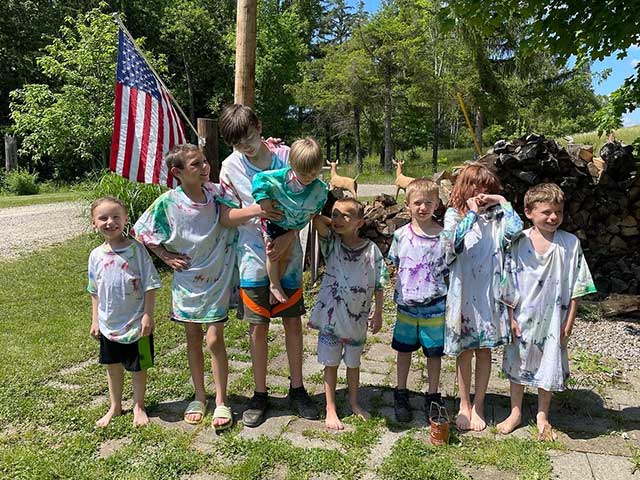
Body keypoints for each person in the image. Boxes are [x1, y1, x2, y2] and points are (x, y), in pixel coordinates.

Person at [217, 104, 319, 427]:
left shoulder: (287, 155)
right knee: (257, 327)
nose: (246, 147)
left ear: (259, 126)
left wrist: (290, 235)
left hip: (289, 255)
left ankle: (297, 389)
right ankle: (259, 394)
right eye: (238, 143)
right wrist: (256, 212)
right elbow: (226, 217)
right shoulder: (229, 168)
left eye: (249, 137)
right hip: (251, 258)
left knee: (292, 322)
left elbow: (314, 195)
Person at [133, 144, 236, 431]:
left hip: (216, 278)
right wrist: (165, 256)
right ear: (177, 173)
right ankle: (200, 397)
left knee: (214, 339)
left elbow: (244, 195)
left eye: (204, 161)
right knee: (193, 339)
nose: (204, 167)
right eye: (196, 165)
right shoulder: (168, 202)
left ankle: (221, 400)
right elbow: (142, 231)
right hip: (188, 281)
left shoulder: (216, 193)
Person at [497, 183, 596, 440]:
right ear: (529, 212)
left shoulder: (569, 244)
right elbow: (507, 280)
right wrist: (510, 318)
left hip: (554, 318)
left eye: (558, 212)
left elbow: (577, 285)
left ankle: (543, 414)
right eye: (546, 212)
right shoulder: (519, 242)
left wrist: (570, 321)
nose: (553, 217)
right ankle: (515, 411)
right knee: (518, 361)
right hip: (523, 314)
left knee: (549, 361)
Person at [441, 163, 523, 431]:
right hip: (463, 292)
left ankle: (479, 404)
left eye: (487, 188)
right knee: (464, 350)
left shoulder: (499, 217)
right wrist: (472, 215)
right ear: (464, 188)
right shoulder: (454, 215)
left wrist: (502, 201)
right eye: (475, 186)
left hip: (489, 294)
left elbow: (516, 231)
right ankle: (463, 403)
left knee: (484, 349)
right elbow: (451, 246)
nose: (481, 193)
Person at [308, 198, 389, 430]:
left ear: (360, 223)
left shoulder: (371, 250)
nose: (337, 220)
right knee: (330, 363)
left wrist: (379, 313)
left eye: (346, 216)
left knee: (354, 363)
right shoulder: (332, 243)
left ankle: (354, 402)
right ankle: (330, 407)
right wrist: (332, 219)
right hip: (332, 318)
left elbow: (380, 283)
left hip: (357, 317)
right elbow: (316, 221)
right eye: (335, 214)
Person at [88, 196, 161, 427]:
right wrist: (95, 320)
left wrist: (148, 315)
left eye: (115, 217)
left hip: (137, 323)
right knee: (113, 366)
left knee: (139, 366)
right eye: (103, 218)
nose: (110, 222)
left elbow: (150, 284)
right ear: (94, 223)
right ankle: (115, 405)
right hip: (109, 324)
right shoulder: (95, 256)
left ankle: (139, 405)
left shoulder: (136, 250)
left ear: (125, 219)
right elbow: (94, 290)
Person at [388, 179, 448, 423]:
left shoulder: (444, 237)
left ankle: (433, 394)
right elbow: (396, 264)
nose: (423, 207)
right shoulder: (400, 235)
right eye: (418, 203)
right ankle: (400, 391)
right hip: (407, 305)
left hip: (435, 306)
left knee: (434, 353)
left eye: (429, 203)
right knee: (404, 350)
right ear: (407, 205)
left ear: (437, 205)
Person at [251, 137, 328, 304]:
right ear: (292, 164)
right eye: (304, 173)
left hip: (293, 224)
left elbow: (317, 205)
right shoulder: (279, 177)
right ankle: (274, 284)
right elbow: (259, 180)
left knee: (286, 256)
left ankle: (276, 284)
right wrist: (263, 199)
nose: (309, 177)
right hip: (276, 220)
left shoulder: (319, 187)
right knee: (274, 254)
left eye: (314, 173)